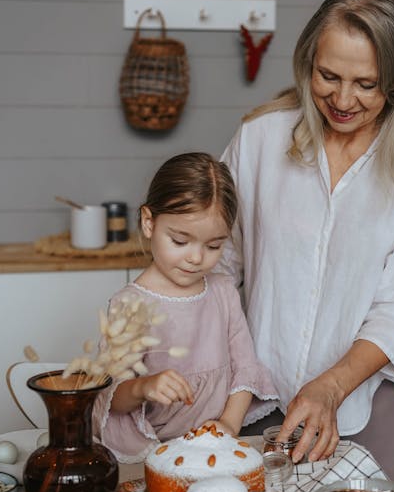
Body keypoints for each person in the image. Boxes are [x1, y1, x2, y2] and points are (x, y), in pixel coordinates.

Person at [218, 0, 394, 482]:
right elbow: (219, 264)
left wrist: (331, 387)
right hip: (254, 390)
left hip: (368, 396)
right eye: (328, 75)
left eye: (366, 84)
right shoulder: (260, 141)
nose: (343, 99)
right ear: (308, 61)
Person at [93, 152, 278, 461]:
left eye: (213, 245)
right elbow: (113, 398)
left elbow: (245, 370)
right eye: (180, 241)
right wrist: (143, 387)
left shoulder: (222, 292)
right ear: (149, 222)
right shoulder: (131, 305)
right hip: (151, 457)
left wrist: (228, 426)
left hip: (213, 449)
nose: (196, 258)